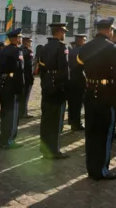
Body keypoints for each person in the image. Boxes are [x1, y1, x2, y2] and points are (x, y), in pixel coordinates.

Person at [77, 18, 116, 180]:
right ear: (109, 30)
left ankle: (91, 168)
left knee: (91, 133)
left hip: (90, 93)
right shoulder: (112, 48)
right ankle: (102, 170)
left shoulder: (86, 47)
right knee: (105, 134)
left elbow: (78, 67)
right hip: (106, 94)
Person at [37, 23, 70, 159]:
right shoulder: (62, 47)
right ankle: (53, 150)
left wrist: (45, 82)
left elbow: (41, 69)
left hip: (46, 84)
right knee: (56, 119)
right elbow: (65, 69)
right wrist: (64, 87)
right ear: (60, 32)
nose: (65, 34)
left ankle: (44, 147)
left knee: (46, 118)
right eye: (64, 32)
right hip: (58, 86)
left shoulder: (44, 48)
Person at [0, 29, 24, 149]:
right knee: (12, 115)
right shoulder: (17, 51)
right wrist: (21, 88)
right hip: (12, 84)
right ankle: (9, 140)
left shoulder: (4, 50)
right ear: (16, 38)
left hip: (3, 83)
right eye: (20, 37)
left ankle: (3, 139)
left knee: (5, 113)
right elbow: (19, 70)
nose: (21, 39)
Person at [67, 34, 87, 130]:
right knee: (79, 103)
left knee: (72, 102)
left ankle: (71, 121)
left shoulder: (71, 51)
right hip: (80, 79)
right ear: (81, 40)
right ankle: (77, 123)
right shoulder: (83, 51)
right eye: (84, 40)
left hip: (71, 78)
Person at [19, 37, 34, 119]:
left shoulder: (19, 49)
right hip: (27, 76)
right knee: (26, 96)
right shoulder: (29, 51)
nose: (30, 43)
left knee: (21, 95)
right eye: (29, 42)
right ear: (26, 42)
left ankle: (20, 111)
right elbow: (29, 66)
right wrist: (31, 77)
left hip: (20, 75)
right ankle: (24, 112)